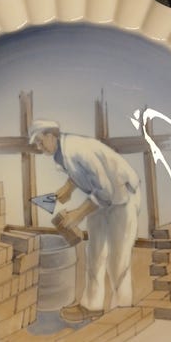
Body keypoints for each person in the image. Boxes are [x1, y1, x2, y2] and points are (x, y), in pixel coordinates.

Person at [29, 119, 141, 323]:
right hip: (100, 196)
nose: (38, 147)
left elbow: (106, 190)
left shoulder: (75, 150)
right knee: (95, 254)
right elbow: (84, 173)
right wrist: (68, 188)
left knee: (118, 260)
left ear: (50, 135)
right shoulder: (62, 152)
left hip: (122, 196)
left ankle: (122, 311)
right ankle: (92, 306)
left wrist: (78, 214)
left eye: (39, 141)